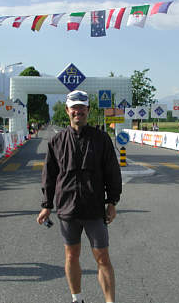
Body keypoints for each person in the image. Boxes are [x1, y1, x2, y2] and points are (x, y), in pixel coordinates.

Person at [37, 90, 122, 303]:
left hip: (94, 209)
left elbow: (112, 172)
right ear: (67, 111)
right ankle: (77, 298)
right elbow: (49, 175)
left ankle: (110, 301)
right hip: (68, 210)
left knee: (102, 258)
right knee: (71, 256)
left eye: (82, 107)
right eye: (74, 107)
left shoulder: (101, 139)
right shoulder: (56, 141)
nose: (78, 111)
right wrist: (46, 205)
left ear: (88, 110)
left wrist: (112, 202)